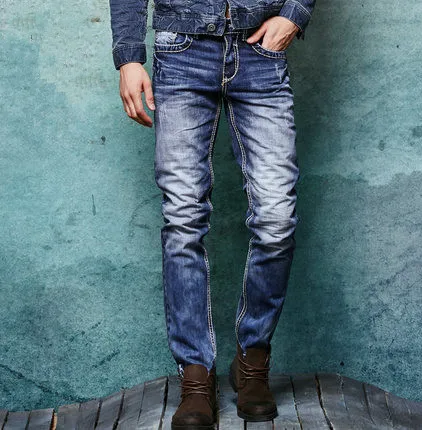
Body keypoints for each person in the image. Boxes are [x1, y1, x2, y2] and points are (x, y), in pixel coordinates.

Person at [109, 0, 316, 428]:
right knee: (183, 218)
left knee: (276, 218)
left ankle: (252, 360)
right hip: (181, 50)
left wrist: (294, 14)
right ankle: (195, 376)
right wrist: (128, 56)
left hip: (260, 51)